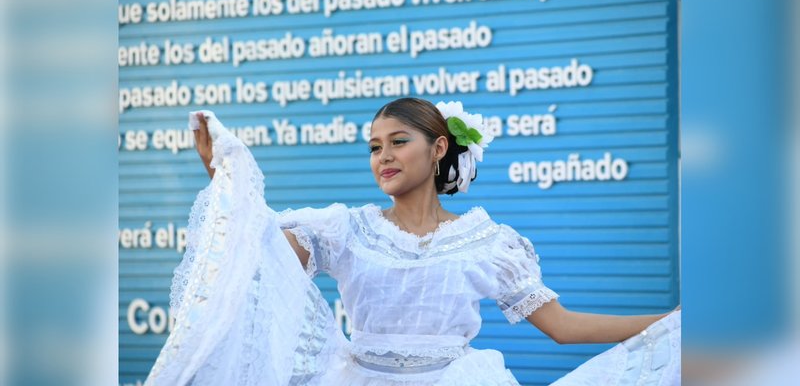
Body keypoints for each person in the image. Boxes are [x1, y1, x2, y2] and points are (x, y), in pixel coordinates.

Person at [144, 98, 680, 385]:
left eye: (399, 142)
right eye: (375, 147)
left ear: (438, 147)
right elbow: (254, 254)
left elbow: (562, 327)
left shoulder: (488, 242)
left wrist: (673, 321)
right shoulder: (346, 229)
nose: (384, 157)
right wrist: (225, 176)